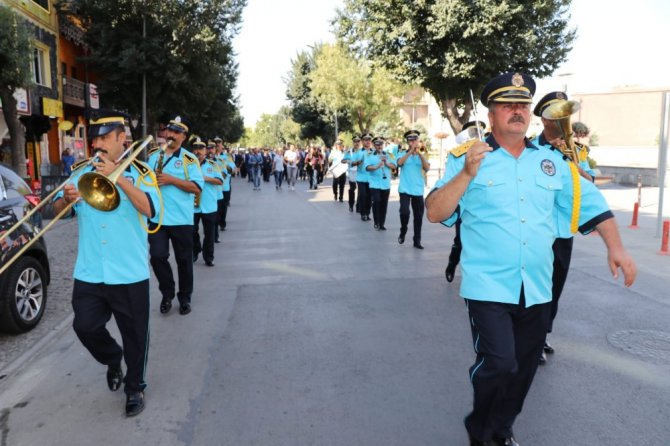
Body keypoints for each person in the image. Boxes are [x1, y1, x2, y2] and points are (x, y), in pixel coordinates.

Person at [425, 72, 636, 446]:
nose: (517, 111)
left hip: (537, 287)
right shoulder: (467, 159)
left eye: (522, 105)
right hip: (489, 286)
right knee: (500, 364)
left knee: (522, 372)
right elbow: (435, 211)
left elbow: (593, 205)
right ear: (491, 115)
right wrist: (466, 176)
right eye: (507, 105)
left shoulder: (551, 163)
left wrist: (615, 247)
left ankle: (501, 429)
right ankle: (481, 427)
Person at [52, 111, 160, 417]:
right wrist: (66, 199)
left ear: (120, 139)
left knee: (135, 335)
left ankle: (135, 386)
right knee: (84, 326)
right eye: (93, 139)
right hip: (90, 270)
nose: (96, 144)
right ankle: (113, 358)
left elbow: (151, 208)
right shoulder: (80, 172)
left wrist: (120, 178)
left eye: (103, 138)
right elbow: (59, 212)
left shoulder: (140, 173)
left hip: (128, 271)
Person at [531, 91, 597, 365]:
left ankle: (544, 333)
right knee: (535, 287)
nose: (561, 121)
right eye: (556, 116)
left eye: (565, 116)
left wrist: (569, 160)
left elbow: (589, 182)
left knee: (555, 287)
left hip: (563, 231)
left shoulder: (577, 151)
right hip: (536, 230)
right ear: (545, 120)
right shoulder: (529, 150)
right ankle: (531, 340)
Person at [147, 115, 204, 316]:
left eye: (177, 132)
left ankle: (185, 297)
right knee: (157, 257)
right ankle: (167, 292)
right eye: (170, 130)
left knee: (184, 261)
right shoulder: (154, 156)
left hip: (181, 219)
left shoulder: (190, 160)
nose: (171, 134)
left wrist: (172, 180)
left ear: (184, 137)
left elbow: (197, 187)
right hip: (157, 218)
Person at [445, 120, 487, 282]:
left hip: (487, 208)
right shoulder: (458, 154)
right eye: (473, 133)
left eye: (479, 132)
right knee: (462, 240)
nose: (477, 136)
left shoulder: (493, 152)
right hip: (465, 207)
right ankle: (452, 263)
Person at [191, 137, 223, 266]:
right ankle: (196, 249)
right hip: (192, 205)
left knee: (209, 234)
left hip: (208, 205)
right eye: (195, 148)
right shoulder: (188, 165)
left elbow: (220, 181)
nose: (198, 151)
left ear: (205, 151)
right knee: (192, 232)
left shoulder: (212, 165)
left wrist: (205, 178)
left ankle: (208, 257)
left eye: (201, 148)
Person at [396, 130, 430, 249]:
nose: (414, 142)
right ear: (408, 142)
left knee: (418, 216)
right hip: (405, 189)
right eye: (411, 140)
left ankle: (417, 240)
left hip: (417, 190)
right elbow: (399, 164)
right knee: (404, 212)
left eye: (415, 139)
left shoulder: (422, 154)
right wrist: (410, 152)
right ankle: (403, 229)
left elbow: (427, 168)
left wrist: (420, 154)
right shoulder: (402, 154)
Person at [365, 136, 396, 230]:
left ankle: (382, 223)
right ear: (374, 145)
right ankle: (376, 221)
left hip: (385, 183)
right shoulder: (369, 155)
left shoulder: (389, 155)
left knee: (384, 204)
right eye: (377, 144)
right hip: (374, 183)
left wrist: (386, 163)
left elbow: (394, 166)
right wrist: (376, 167)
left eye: (381, 144)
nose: (379, 146)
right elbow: (367, 167)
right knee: (377, 201)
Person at [352, 133, 373, 221]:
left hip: (372, 178)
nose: (367, 141)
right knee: (363, 195)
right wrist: (358, 162)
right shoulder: (358, 152)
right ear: (362, 141)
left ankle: (367, 213)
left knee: (370, 197)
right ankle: (363, 213)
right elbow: (352, 163)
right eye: (365, 140)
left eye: (369, 140)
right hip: (361, 178)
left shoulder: (374, 152)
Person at [341, 136, 360, 212]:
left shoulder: (362, 151)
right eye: (355, 141)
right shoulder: (349, 152)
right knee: (353, 188)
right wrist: (348, 161)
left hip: (361, 172)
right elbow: (343, 161)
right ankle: (351, 204)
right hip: (352, 172)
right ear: (353, 143)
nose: (357, 143)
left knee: (361, 190)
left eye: (358, 141)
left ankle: (358, 205)